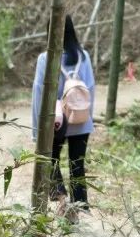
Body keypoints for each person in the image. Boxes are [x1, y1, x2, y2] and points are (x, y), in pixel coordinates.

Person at [31, 15, 96, 209]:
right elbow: (90, 88)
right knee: (78, 165)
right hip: (81, 119)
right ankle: (81, 206)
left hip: (56, 120)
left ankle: (61, 202)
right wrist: (86, 117)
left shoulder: (46, 58)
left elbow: (39, 94)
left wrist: (37, 129)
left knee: (52, 161)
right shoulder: (83, 56)